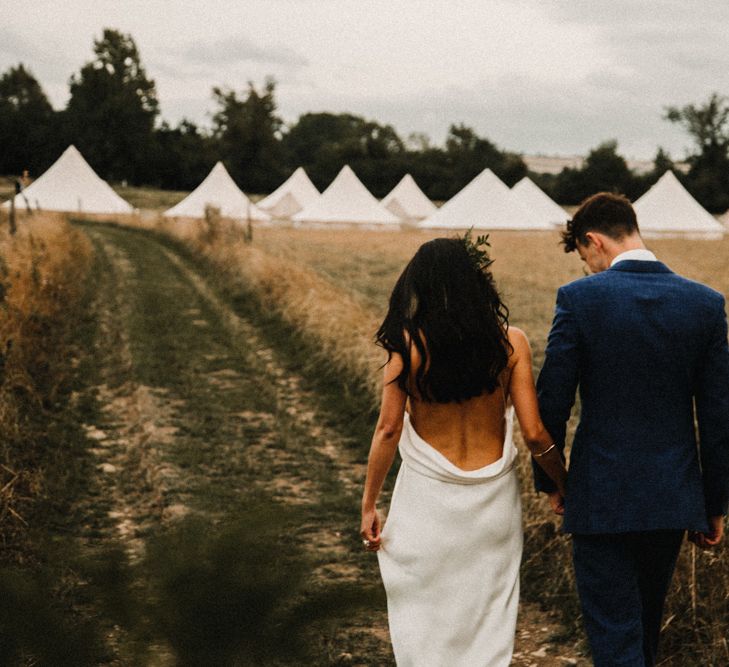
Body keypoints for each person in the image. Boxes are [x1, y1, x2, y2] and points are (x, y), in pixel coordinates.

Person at [536, 192, 729, 667]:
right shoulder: (705, 304)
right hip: (671, 495)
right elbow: (719, 415)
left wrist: (553, 482)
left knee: (613, 632)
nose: (588, 270)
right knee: (644, 624)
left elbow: (552, 402)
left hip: (600, 494)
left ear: (593, 241)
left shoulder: (578, 300)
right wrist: (714, 503)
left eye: (586, 260)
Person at [360, 236, 567, 666]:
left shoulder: (407, 345)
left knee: (424, 609)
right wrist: (564, 483)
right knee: (489, 612)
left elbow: (387, 430)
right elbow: (533, 432)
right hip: (492, 505)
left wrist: (369, 504)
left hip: (427, 503)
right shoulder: (511, 343)